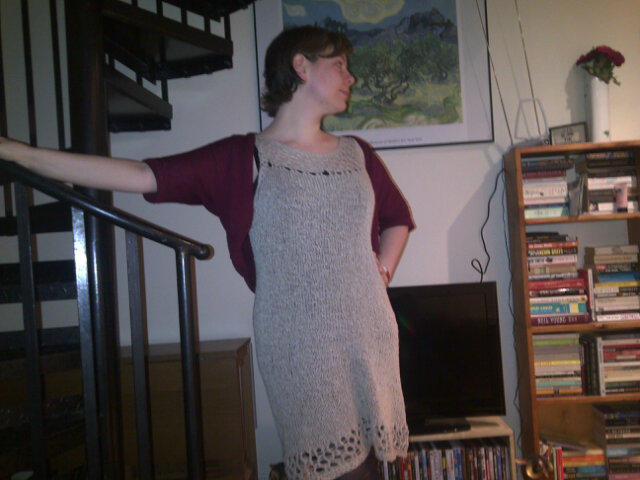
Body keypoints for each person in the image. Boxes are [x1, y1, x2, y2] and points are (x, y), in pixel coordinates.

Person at [0, 25, 414, 480]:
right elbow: (142, 175)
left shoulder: (358, 154)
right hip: (301, 343)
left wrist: (382, 271)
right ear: (301, 65)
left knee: (373, 462)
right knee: (338, 469)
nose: (350, 77)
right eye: (339, 65)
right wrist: (22, 155)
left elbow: (397, 216)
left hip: (370, 331)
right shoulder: (242, 158)